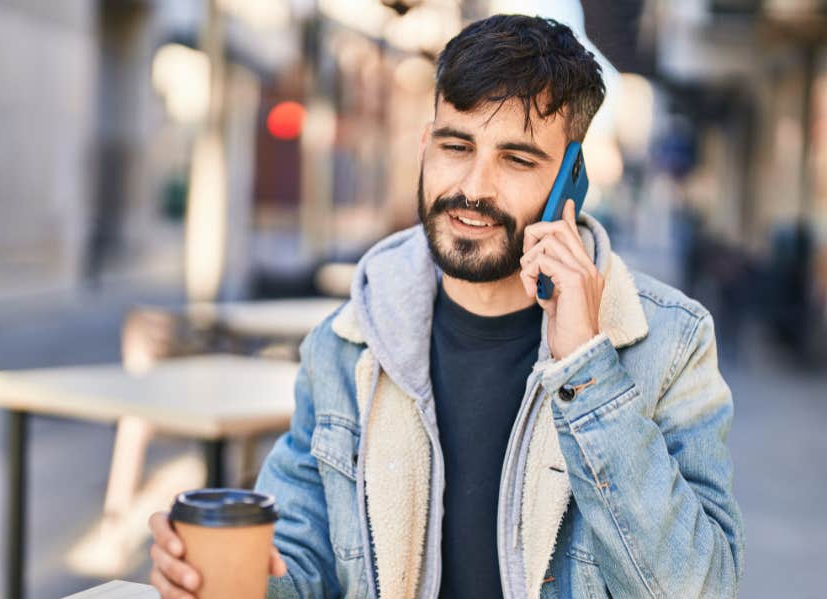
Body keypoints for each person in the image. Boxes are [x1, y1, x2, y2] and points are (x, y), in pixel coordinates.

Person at [148, 14, 744, 598]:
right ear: (425, 147)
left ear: (572, 181)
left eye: (516, 158)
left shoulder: (670, 341)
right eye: (456, 146)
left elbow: (698, 588)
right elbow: (305, 565)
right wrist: (231, 582)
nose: (474, 187)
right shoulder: (347, 343)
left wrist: (588, 371)